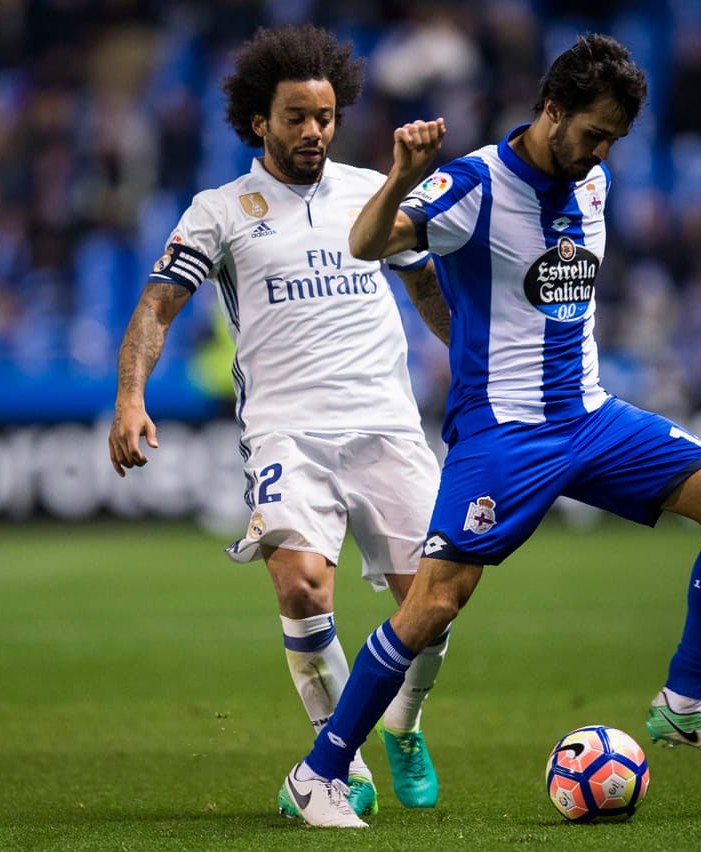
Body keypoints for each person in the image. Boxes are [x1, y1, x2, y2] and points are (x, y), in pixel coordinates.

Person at [280, 33, 701, 829]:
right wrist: (404, 177)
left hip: (589, 414)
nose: (601, 150)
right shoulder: (472, 184)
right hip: (504, 430)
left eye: (613, 138)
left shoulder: (595, 183)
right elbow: (365, 245)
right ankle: (320, 772)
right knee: (436, 604)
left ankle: (684, 701)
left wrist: (597, 159)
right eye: (592, 133)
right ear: (551, 111)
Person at [107, 25, 454, 819]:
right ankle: (340, 761)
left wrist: (475, 364)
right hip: (287, 430)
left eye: (325, 117)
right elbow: (158, 304)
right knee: (301, 585)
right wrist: (131, 397)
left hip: (388, 426)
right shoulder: (220, 210)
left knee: (431, 604)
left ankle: (403, 721)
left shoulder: (376, 190)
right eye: (296, 117)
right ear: (258, 121)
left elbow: (430, 291)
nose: (314, 133)